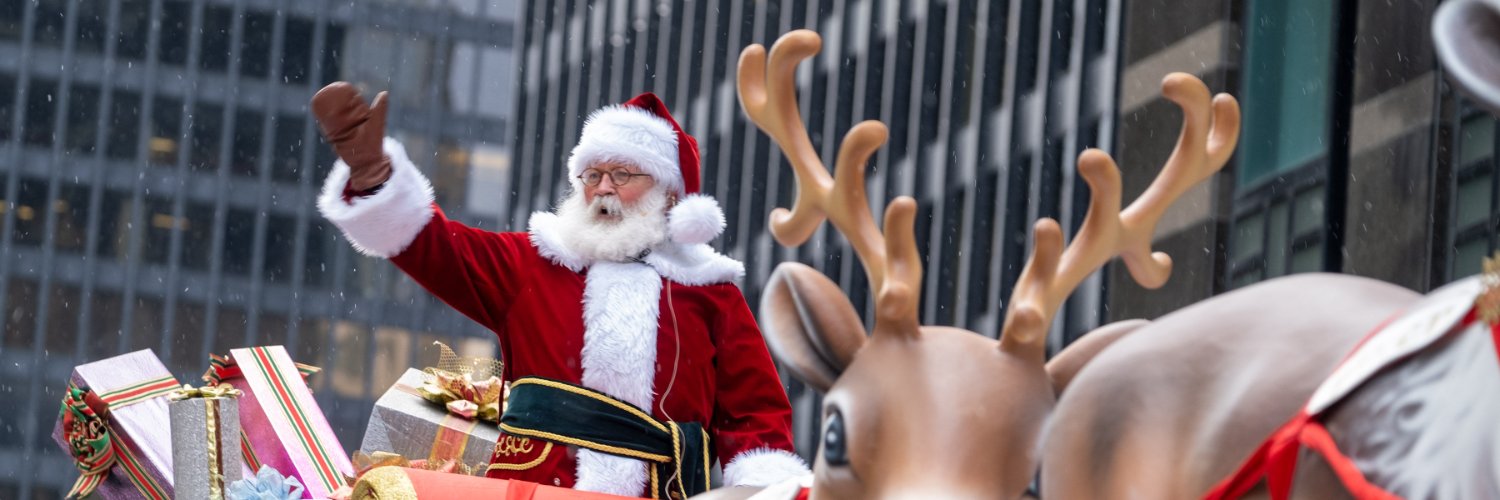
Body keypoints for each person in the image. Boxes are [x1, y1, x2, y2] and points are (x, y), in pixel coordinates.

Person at [310, 83, 809, 498]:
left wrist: (763, 488)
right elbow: (437, 248)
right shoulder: (533, 263)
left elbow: (755, 415)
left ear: (669, 193)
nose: (604, 188)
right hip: (533, 489)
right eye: (592, 174)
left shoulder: (709, 293)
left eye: (623, 174)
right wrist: (375, 176)